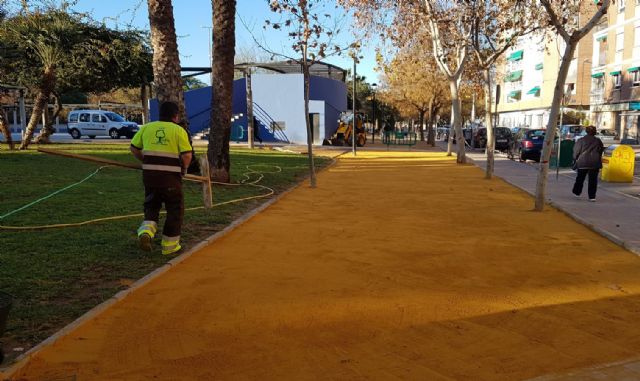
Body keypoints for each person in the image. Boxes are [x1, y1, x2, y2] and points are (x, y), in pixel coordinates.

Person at [130, 101, 193, 255]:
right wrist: (183, 169)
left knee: (151, 205)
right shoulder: (178, 130)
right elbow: (186, 155)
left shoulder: (147, 128)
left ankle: (146, 232)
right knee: (174, 210)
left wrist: (145, 160)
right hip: (171, 178)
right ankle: (170, 247)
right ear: (176, 116)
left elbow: (134, 147)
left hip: (150, 177)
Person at [572, 125, 604, 202]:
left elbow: (576, 151)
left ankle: (577, 192)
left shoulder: (581, 140)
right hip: (594, 163)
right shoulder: (598, 141)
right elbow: (601, 150)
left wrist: (575, 158)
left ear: (586, 131)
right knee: (593, 180)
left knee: (580, 178)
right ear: (595, 132)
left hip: (582, 162)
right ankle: (592, 196)